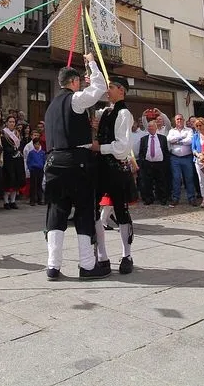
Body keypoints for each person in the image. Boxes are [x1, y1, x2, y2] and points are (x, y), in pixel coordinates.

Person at [42, 53, 109, 280]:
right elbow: (100, 87)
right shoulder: (75, 99)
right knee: (83, 210)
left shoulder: (51, 106)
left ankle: (53, 265)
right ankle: (88, 265)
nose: (80, 84)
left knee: (56, 211)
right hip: (76, 162)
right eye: (79, 81)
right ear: (73, 82)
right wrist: (91, 61)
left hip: (52, 163)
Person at [93, 76, 138, 275]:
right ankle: (101, 255)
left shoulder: (124, 113)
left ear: (122, 90)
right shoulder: (106, 112)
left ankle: (126, 255)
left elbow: (122, 148)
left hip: (116, 169)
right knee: (95, 211)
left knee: (121, 211)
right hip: (101, 168)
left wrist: (99, 147)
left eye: (110, 87)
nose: (107, 90)